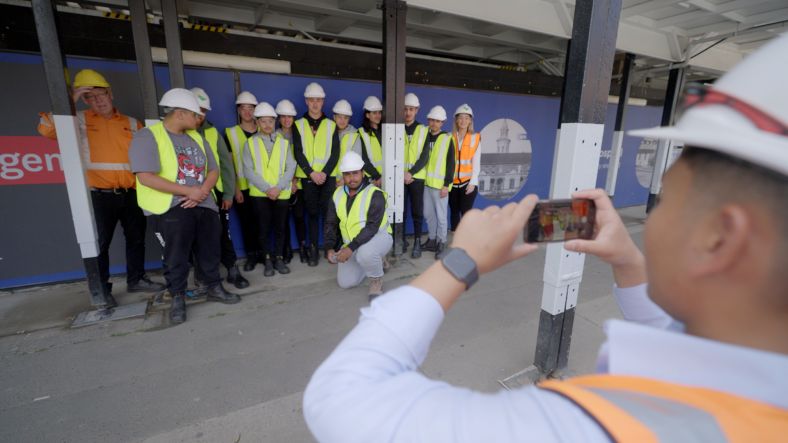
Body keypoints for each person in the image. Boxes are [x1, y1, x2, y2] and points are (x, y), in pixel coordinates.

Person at [303, 35, 788, 442]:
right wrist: (630, 265)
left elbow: (339, 398)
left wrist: (459, 263)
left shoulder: (584, 424)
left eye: (672, 184)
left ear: (721, 238)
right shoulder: (759, 394)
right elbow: (692, 349)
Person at [37, 68, 164, 307]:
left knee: (136, 239)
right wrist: (70, 101)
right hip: (100, 196)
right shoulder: (78, 120)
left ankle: (136, 279)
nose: (98, 100)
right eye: (90, 96)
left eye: (101, 94)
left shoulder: (131, 123)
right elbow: (46, 130)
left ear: (110, 94)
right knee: (100, 243)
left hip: (131, 192)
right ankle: (102, 289)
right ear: (84, 100)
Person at [130, 88, 240, 325]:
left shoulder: (198, 137)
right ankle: (177, 297)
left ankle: (213, 286)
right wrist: (188, 191)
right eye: (195, 114)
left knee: (210, 250)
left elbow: (213, 169)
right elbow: (145, 176)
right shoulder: (147, 136)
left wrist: (200, 192)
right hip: (171, 207)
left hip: (204, 203)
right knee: (176, 256)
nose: (199, 118)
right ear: (179, 113)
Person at [190, 87, 249, 290]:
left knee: (224, 234)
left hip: (215, 195)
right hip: (189, 197)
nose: (200, 115)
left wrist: (229, 193)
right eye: (197, 110)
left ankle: (232, 269)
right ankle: (203, 275)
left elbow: (225, 164)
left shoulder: (212, 132)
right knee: (196, 238)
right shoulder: (177, 132)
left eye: (204, 111)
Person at [324, 152, 392, 301]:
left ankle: (376, 280)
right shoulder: (337, 194)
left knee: (366, 254)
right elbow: (331, 223)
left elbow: (372, 228)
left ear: (362, 173)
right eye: (347, 174)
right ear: (343, 175)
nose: (351, 178)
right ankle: (374, 261)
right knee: (346, 283)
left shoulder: (375, 194)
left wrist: (349, 248)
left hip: (379, 237)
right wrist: (329, 247)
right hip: (354, 243)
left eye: (355, 173)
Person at [243, 102, 296, 277]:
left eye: (270, 121)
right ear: (257, 122)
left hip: (281, 193)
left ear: (275, 122)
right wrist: (268, 189)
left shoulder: (283, 143)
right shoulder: (250, 143)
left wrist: (278, 188)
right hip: (261, 194)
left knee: (280, 228)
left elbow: (291, 167)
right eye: (263, 121)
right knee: (264, 229)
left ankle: (279, 258)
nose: (267, 125)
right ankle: (267, 260)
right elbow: (248, 170)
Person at [292, 82, 341, 266]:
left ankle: (329, 249)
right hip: (308, 178)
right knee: (311, 214)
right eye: (312, 100)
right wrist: (311, 173)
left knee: (329, 215)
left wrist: (324, 173)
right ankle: (313, 249)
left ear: (323, 101)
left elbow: (335, 152)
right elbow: (298, 152)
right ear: (306, 101)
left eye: (318, 100)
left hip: (327, 178)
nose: (315, 103)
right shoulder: (299, 125)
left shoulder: (331, 125)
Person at [224, 91, 262, 272]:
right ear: (238, 110)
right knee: (247, 224)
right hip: (244, 187)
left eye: (251, 108)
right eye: (243, 108)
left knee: (264, 223)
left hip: (263, 187)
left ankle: (264, 254)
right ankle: (252, 256)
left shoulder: (265, 129)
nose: (247, 112)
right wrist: (236, 189)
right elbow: (230, 165)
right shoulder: (230, 133)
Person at [419, 106, 455, 259]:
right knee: (428, 214)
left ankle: (442, 242)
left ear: (443, 122)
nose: (434, 123)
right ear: (428, 120)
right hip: (426, 184)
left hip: (440, 185)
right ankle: (432, 239)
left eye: (437, 121)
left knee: (441, 216)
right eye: (432, 120)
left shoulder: (447, 138)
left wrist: (447, 185)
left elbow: (451, 163)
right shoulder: (423, 136)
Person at [275, 99, 307, 265]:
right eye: (284, 117)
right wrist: (287, 181)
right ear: (279, 118)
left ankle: (302, 248)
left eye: (290, 117)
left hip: (298, 183)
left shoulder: (299, 135)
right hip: (281, 184)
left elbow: (301, 158)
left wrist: (294, 180)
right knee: (283, 219)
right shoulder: (274, 136)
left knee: (300, 217)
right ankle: (286, 250)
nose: (287, 120)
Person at [402, 92, 429, 258]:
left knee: (417, 211)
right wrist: (402, 174)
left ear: (417, 110)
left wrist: (410, 173)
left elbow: (424, 156)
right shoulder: (396, 128)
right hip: (400, 177)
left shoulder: (423, 130)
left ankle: (417, 241)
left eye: (411, 109)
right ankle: (402, 239)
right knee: (401, 210)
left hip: (416, 177)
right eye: (405, 109)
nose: (408, 112)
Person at [450, 104, 481, 231]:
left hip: (468, 184)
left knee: (466, 214)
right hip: (452, 184)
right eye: (461, 118)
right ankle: (455, 240)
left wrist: (473, 183)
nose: (463, 121)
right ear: (456, 120)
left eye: (467, 118)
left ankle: (467, 241)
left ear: (470, 121)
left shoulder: (475, 138)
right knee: (453, 213)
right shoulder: (448, 137)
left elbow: (476, 162)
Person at [354, 96, 384, 186]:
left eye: (379, 113)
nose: (378, 116)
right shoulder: (361, 132)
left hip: (387, 177)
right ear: (367, 115)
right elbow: (363, 158)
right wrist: (377, 176)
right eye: (374, 113)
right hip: (372, 179)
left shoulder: (386, 131)